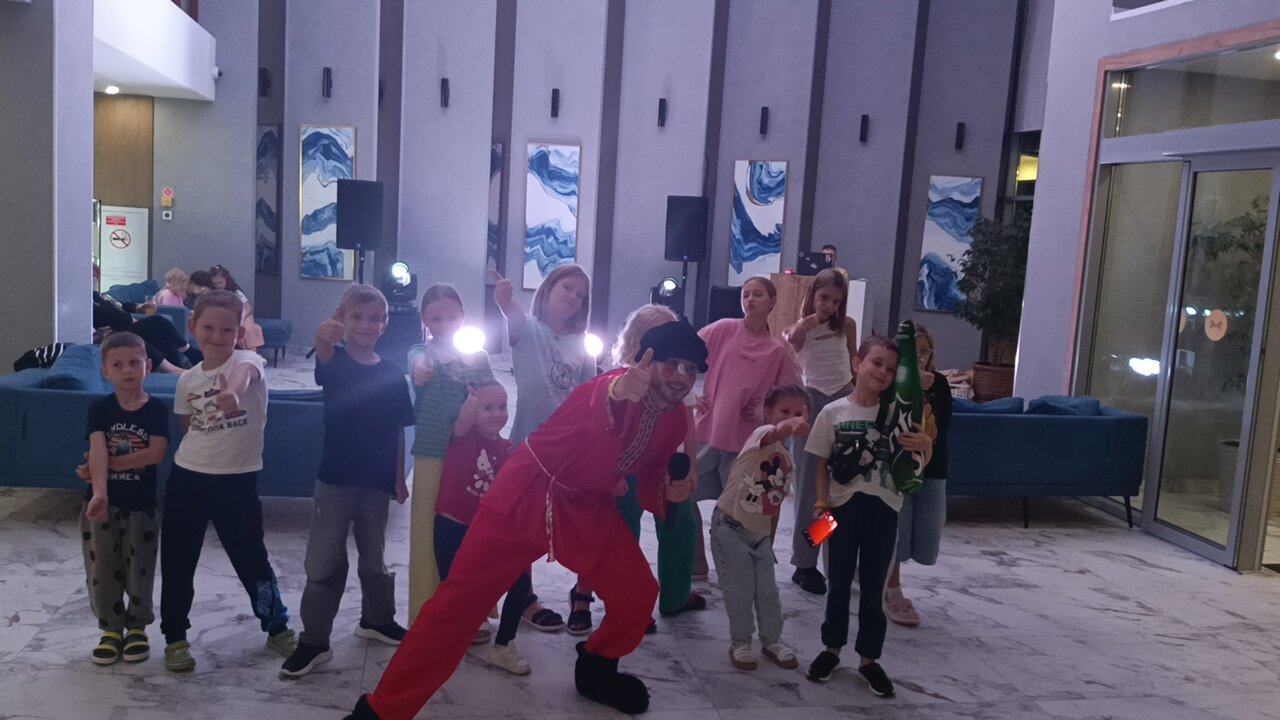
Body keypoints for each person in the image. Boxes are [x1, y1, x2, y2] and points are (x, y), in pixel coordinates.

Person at [343, 321, 708, 720]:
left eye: (690, 369)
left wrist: (668, 488)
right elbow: (599, 399)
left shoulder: (675, 419)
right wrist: (618, 388)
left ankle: (597, 670)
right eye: (671, 365)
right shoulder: (615, 387)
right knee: (456, 608)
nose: (680, 376)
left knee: (637, 593)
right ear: (646, 363)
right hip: (528, 492)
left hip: (587, 506)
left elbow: (653, 467)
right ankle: (381, 713)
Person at [280, 285, 415, 678]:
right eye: (357, 317)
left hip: (376, 483)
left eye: (374, 318)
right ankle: (314, 640)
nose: (366, 325)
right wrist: (326, 332)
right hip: (335, 480)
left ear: (385, 323)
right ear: (342, 318)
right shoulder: (334, 362)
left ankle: (377, 619)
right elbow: (323, 348)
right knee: (324, 562)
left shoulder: (393, 373)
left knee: (375, 558)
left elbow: (398, 430)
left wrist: (399, 479)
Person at [158, 290, 296, 673]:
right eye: (208, 327)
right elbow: (189, 426)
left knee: (252, 560)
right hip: (187, 478)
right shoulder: (187, 380)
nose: (217, 336)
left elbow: (242, 377)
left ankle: (276, 625)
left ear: (240, 332)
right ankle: (175, 637)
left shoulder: (248, 360)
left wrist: (232, 393)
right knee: (177, 561)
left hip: (236, 483)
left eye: (227, 330)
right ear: (193, 327)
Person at [803, 335, 934, 696]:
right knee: (837, 584)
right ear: (857, 364)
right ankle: (831, 649)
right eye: (876, 363)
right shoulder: (832, 413)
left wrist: (926, 446)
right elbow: (820, 464)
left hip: (884, 510)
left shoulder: (898, 415)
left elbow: (916, 462)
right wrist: (820, 504)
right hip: (840, 510)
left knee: (874, 590)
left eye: (890, 369)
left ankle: (869, 659)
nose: (882, 372)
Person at [492, 265, 596, 633]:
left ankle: (582, 594)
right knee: (524, 527)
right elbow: (514, 316)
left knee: (584, 522)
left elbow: (591, 398)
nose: (574, 297)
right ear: (549, 288)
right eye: (568, 288)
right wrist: (505, 301)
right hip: (529, 446)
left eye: (581, 294)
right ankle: (524, 598)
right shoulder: (529, 330)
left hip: (571, 452)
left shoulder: (583, 342)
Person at [690, 276, 801, 578]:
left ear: (772, 301)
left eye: (757, 294)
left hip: (746, 444)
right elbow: (684, 352)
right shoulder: (723, 329)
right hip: (709, 431)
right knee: (682, 494)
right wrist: (690, 395)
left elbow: (793, 396)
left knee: (742, 511)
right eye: (746, 294)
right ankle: (696, 561)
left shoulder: (777, 350)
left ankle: (739, 569)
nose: (750, 299)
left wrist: (766, 408)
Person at [76, 332, 169, 666]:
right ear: (106, 372)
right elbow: (97, 448)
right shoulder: (99, 409)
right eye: (117, 365)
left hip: (141, 506)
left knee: (139, 568)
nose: (127, 370)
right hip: (102, 505)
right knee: (102, 567)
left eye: (134, 362)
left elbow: (155, 453)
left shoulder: (156, 409)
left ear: (147, 366)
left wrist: (104, 465)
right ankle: (111, 629)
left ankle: (137, 628)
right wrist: (99, 491)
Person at [405, 284, 496, 622]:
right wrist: (420, 369)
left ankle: (475, 608)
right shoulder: (421, 352)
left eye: (451, 317)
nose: (444, 325)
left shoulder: (478, 356)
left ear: (463, 317)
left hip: (472, 451)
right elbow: (417, 363)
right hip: (434, 452)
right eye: (435, 319)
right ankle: (426, 609)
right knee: (427, 528)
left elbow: (492, 396)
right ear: (424, 320)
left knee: (473, 526)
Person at [609, 305, 704, 624]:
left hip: (666, 462)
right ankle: (629, 603)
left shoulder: (679, 373)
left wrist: (691, 465)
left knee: (681, 524)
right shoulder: (626, 375)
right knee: (625, 530)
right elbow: (610, 426)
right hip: (629, 466)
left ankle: (676, 596)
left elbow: (687, 422)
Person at [434, 380, 532, 675]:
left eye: (502, 406)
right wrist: (469, 408)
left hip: (485, 533)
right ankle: (443, 645)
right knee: (453, 593)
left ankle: (504, 646)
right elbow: (462, 424)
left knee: (521, 580)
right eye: (488, 408)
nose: (497, 413)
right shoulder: (463, 436)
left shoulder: (506, 449)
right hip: (451, 528)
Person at [710, 384, 809, 671]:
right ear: (768, 412)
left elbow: (773, 503)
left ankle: (772, 640)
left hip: (760, 535)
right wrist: (789, 424)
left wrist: (770, 539)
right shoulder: (760, 436)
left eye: (799, 413)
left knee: (768, 592)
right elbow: (776, 431)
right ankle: (741, 642)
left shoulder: (787, 459)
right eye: (784, 411)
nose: (791, 418)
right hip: (730, 527)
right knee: (739, 591)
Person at [782, 269, 858, 595]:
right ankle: (805, 563)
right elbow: (791, 339)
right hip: (812, 402)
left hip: (844, 400)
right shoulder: (799, 328)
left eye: (836, 301)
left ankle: (836, 556)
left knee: (841, 484)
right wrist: (808, 321)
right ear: (813, 294)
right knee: (810, 489)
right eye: (824, 297)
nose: (829, 305)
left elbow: (854, 362)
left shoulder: (847, 325)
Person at [885, 323, 951, 627]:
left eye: (925, 350)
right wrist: (908, 386)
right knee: (896, 530)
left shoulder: (940, 383)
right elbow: (885, 418)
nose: (920, 357)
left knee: (927, 532)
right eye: (913, 352)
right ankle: (892, 590)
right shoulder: (889, 382)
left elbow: (944, 425)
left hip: (932, 466)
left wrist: (927, 445)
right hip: (897, 465)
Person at [92, 291, 196, 374]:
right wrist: (129, 319)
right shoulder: (89, 299)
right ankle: (182, 360)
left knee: (162, 338)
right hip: (111, 333)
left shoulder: (96, 294)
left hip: (122, 325)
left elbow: (118, 305)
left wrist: (137, 307)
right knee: (157, 322)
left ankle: (177, 369)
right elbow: (108, 313)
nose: (94, 277)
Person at [209, 265, 265, 351]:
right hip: (228, 316)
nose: (218, 286)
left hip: (244, 315)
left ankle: (252, 353)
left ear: (226, 279)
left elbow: (248, 306)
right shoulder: (214, 293)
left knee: (248, 330)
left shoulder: (235, 291)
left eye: (220, 282)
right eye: (215, 284)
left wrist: (242, 316)